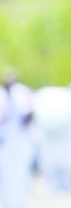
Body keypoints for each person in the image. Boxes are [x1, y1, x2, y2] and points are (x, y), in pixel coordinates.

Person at [0, 71, 35, 208]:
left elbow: (27, 119)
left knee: (20, 173)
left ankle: (19, 202)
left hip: (20, 142)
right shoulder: (3, 97)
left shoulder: (22, 94)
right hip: (6, 143)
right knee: (7, 174)